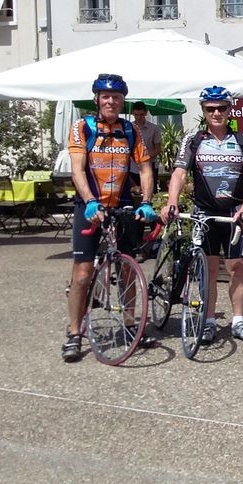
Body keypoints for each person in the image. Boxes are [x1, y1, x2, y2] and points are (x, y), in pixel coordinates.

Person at [61, 74, 157, 362]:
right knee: (82, 273)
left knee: (127, 269)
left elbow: (146, 169)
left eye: (116, 97)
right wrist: (90, 201)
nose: (111, 101)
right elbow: (77, 169)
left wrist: (147, 202)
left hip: (123, 204)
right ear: (97, 99)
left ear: (123, 101)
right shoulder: (83, 127)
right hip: (89, 206)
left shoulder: (130, 130)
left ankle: (130, 325)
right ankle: (74, 333)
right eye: (106, 96)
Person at [160, 86, 243, 343]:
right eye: (210, 109)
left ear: (230, 110)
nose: (216, 113)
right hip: (204, 213)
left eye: (222, 108)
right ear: (204, 111)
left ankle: (238, 320)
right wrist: (172, 201)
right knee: (209, 269)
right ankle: (208, 320)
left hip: (233, 213)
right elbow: (179, 173)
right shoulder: (193, 140)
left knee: (237, 267)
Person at [128, 101, 162, 193]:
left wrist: (144, 158)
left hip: (150, 165)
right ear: (133, 114)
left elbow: (158, 149)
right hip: (132, 168)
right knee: (134, 193)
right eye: (136, 115)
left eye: (141, 114)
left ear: (146, 113)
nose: (139, 117)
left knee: (150, 192)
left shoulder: (154, 128)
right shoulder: (128, 128)